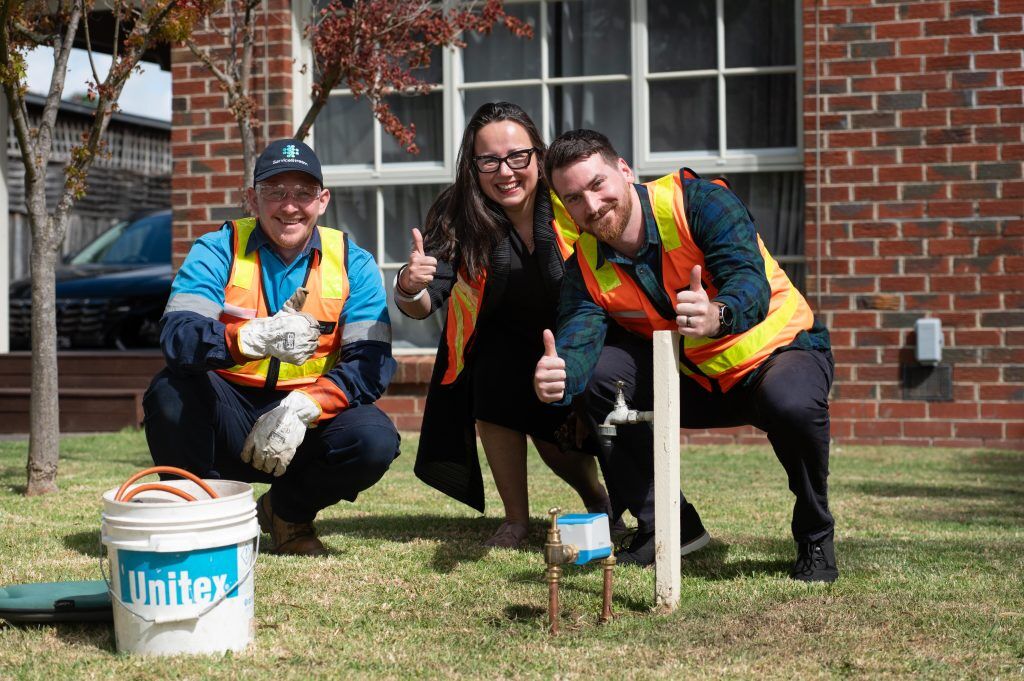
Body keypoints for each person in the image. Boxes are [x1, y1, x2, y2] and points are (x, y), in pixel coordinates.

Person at [533, 129, 838, 582]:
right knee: (600, 378)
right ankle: (669, 527)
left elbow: (747, 279)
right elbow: (577, 343)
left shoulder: (699, 203)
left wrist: (719, 313)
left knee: (790, 404)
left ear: (624, 171)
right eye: (574, 198)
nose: (592, 207)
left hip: (777, 357)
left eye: (598, 185)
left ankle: (815, 536)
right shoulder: (584, 266)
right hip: (693, 381)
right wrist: (561, 378)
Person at [143, 139, 401, 557]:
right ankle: (205, 524)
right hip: (224, 407)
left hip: (307, 417)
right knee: (169, 392)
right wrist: (245, 339)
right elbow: (178, 336)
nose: (289, 206)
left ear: (323, 200)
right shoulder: (217, 248)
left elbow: (371, 364)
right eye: (275, 192)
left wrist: (305, 406)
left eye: (302, 193)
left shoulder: (354, 261)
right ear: (252, 199)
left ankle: (286, 513)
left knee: (373, 440)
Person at [394, 102, 615, 548]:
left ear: (538, 153)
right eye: (489, 160)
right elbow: (423, 303)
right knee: (490, 377)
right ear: (473, 166)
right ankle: (516, 518)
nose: (505, 171)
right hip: (499, 347)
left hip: (576, 337)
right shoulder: (458, 214)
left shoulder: (570, 200)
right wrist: (407, 284)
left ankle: (601, 499)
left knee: (560, 445)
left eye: (518, 156)